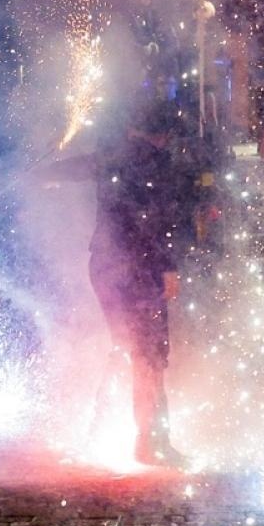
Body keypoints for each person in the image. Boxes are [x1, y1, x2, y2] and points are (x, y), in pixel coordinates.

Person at [78, 101, 193, 466]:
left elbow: (73, 168)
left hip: (106, 268)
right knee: (149, 355)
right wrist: (168, 267)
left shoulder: (109, 156)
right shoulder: (150, 161)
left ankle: (107, 433)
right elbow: (152, 220)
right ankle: (151, 442)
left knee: (132, 350)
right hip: (138, 271)